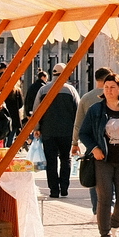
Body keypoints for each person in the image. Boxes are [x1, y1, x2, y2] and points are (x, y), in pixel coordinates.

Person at [80, 73, 119, 237]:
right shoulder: (96, 110)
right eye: (106, 87)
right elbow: (84, 132)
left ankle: (115, 226)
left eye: (112, 87)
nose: (109, 90)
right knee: (105, 198)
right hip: (103, 160)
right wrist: (94, 148)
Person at [33, 71, 81, 199]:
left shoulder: (43, 90)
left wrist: (37, 127)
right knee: (66, 159)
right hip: (67, 132)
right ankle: (64, 188)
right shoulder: (71, 90)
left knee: (51, 161)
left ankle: (54, 190)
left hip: (48, 131)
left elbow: (36, 110)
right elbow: (78, 111)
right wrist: (77, 132)